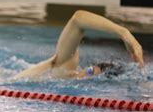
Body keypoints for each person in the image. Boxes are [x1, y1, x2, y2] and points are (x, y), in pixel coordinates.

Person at [14, 10, 144, 79]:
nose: (87, 73)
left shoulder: (67, 77)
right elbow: (78, 18)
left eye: (91, 72)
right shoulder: (65, 67)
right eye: (90, 70)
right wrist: (123, 32)